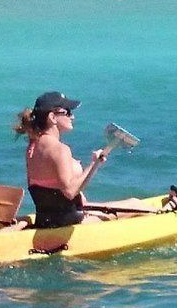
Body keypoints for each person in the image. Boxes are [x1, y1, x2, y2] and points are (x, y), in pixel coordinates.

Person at [18, 91, 111, 227]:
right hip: (69, 223)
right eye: (67, 112)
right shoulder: (60, 149)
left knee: (126, 204)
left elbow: (47, 189)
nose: (72, 117)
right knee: (134, 203)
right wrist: (94, 164)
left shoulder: (32, 147)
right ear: (52, 117)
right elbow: (70, 191)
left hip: (45, 221)